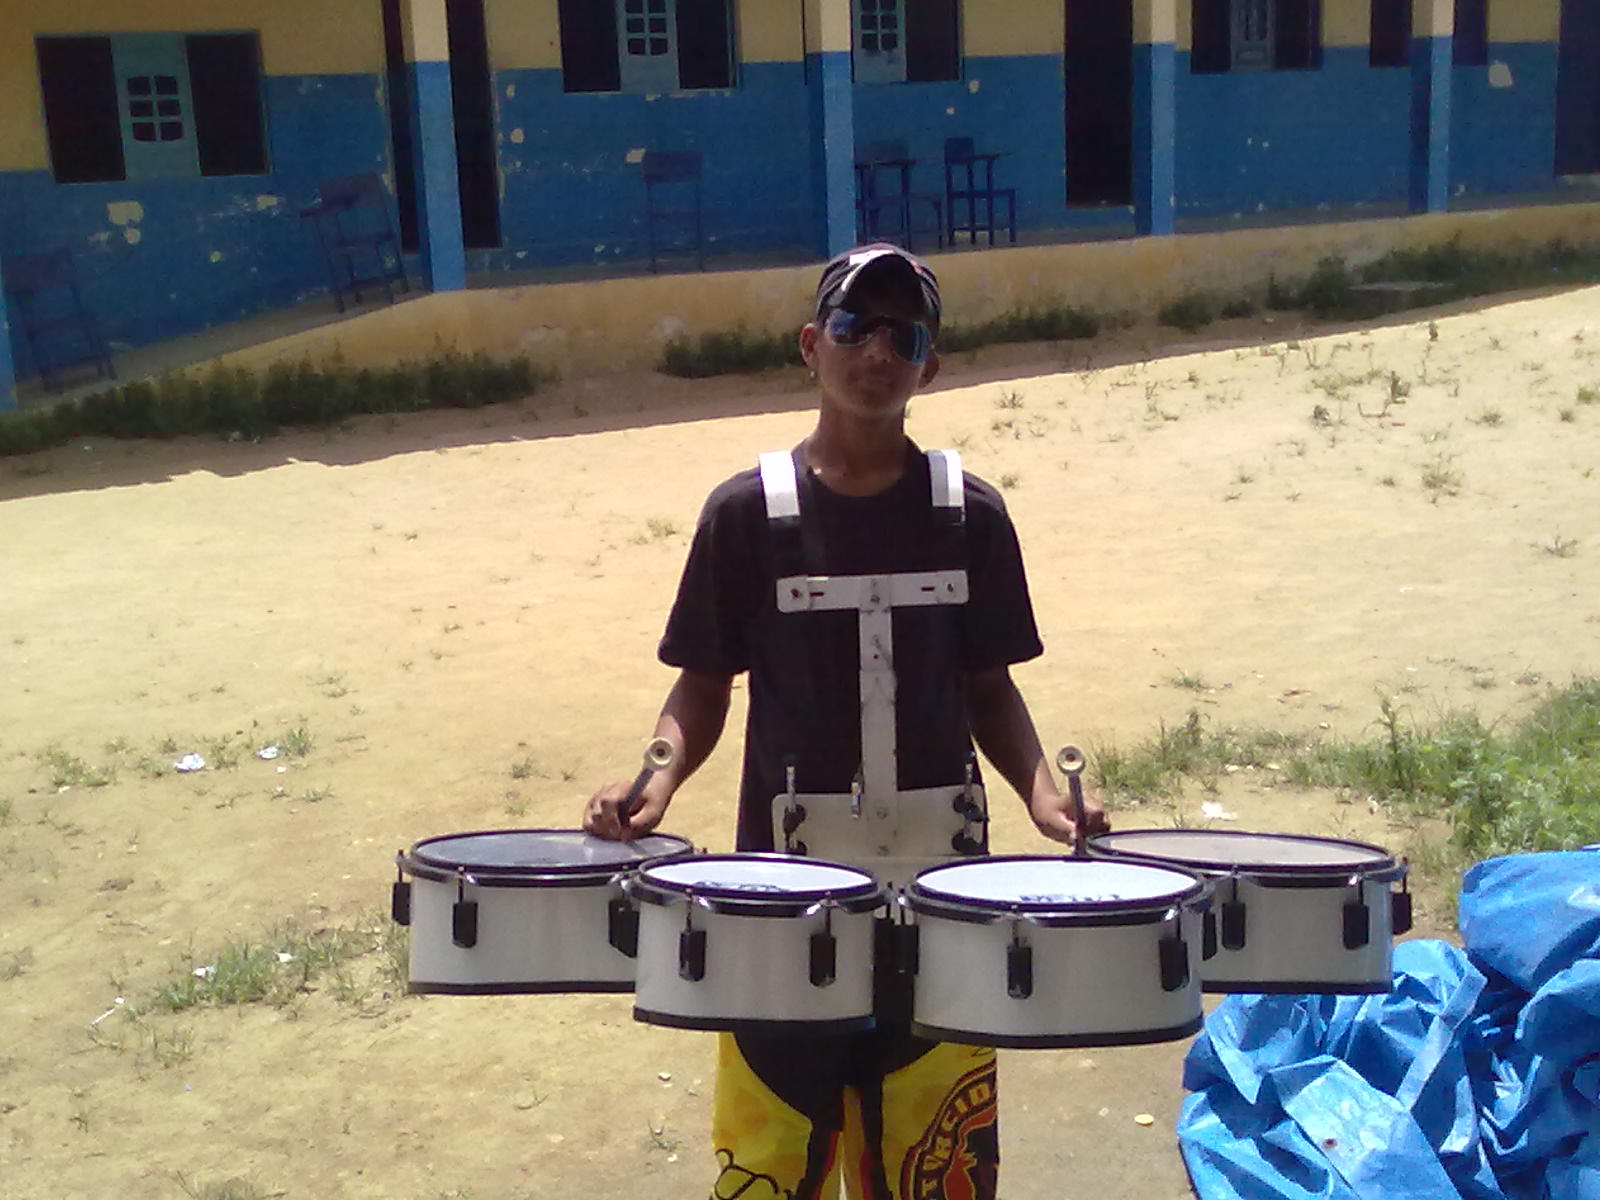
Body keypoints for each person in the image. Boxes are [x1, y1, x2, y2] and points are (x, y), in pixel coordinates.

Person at [585, 242, 1109, 1200]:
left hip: (943, 897)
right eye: (853, 325)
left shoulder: (970, 516)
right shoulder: (744, 516)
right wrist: (654, 777)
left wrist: (1044, 793)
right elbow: (703, 683)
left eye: (904, 336)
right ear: (810, 345)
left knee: (932, 1153)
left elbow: (988, 684)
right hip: (782, 901)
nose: (877, 351)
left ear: (930, 366)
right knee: (776, 1152)